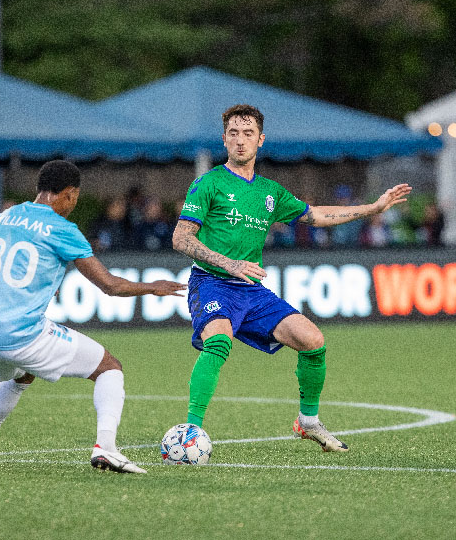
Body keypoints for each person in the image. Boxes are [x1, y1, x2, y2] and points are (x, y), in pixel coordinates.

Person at [171, 104, 411, 453]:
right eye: (234, 134)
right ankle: (190, 432)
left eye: (248, 134)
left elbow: (315, 216)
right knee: (219, 342)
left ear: (261, 140)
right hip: (212, 283)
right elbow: (181, 238)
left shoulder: (270, 192)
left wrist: (372, 209)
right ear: (224, 139)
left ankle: (308, 422)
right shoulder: (208, 183)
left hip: (251, 291)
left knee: (313, 341)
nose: (240, 141)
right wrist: (229, 263)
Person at [0, 160, 185, 474]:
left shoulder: (5, 216)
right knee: (109, 368)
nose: (73, 204)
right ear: (66, 194)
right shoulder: (63, 230)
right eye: (73, 197)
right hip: (21, 334)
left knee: (21, 375)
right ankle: (106, 448)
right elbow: (110, 285)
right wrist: (153, 287)